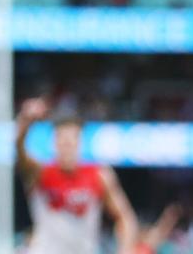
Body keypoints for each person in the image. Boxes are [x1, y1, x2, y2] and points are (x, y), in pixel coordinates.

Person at [17, 98, 137, 254]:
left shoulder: (99, 174)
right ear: (55, 142)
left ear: (79, 141)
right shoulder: (40, 172)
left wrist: (125, 250)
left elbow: (125, 218)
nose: (67, 145)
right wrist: (26, 121)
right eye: (62, 139)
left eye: (72, 139)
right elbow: (19, 150)